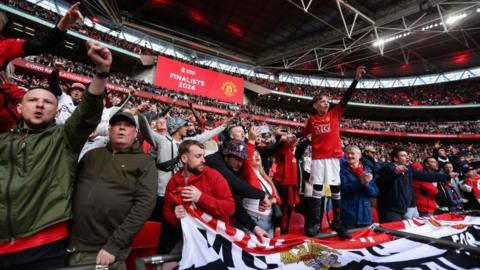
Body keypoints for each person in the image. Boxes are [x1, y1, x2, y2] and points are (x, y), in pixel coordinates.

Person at [0, 40, 111, 270]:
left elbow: (87, 114)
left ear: (57, 111)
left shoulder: (64, 139)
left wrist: (101, 73)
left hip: (44, 247)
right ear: (19, 108)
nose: (40, 105)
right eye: (32, 100)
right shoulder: (3, 141)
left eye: (47, 102)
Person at [68, 112, 158, 269]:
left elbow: (144, 206)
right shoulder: (91, 155)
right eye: (116, 125)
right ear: (109, 131)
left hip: (105, 250)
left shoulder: (145, 162)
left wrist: (114, 245)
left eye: (128, 125)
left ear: (135, 133)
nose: (121, 128)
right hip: (72, 241)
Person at [301, 66, 366, 238]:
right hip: (317, 159)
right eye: (322, 101)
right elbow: (301, 133)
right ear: (315, 105)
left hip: (332, 158)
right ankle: (315, 223)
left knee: (335, 188)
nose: (326, 103)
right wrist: (290, 137)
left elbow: (345, 99)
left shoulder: (335, 114)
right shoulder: (312, 120)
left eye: (327, 101)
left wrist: (355, 80)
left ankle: (337, 221)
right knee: (317, 189)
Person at [0, 2, 83, 132]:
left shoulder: (3, 47)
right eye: (76, 90)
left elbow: (39, 44)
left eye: (80, 91)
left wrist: (62, 26)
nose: (77, 92)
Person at [163, 140, 235, 250]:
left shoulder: (214, 176)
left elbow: (230, 208)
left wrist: (201, 198)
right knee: (166, 267)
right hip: (189, 241)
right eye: (198, 156)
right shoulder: (173, 182)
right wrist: (175, 216)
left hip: (217, 240)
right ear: (184, 159)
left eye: (203, 156)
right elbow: (167, 211)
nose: (204, 160)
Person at [205, 140, 274, 241]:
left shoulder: (233, 169)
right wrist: (262, 195)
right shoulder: (213, 161)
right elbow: (236, 184)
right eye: (237, 158)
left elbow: (236, 204)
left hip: (215, 222)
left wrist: (255, 228)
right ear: (227, 154)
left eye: (242, 160)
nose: (240, 163)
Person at [377, 146, 457, 223]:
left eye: (407, 155)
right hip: (389, 211)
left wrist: (447, 176)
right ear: (395, 158)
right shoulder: (388, 168)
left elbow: (428, 176)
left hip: (403, 210)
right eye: (403, 156)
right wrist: (394, 172)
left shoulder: (408, 171)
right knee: (393, 235)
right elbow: (386, 172)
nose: (407, 157)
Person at [241, 133, 282, 236]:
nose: (257, 155)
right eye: (253, 154)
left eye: (258, 154)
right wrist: (251, 141)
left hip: (269, 223)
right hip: (253, 222)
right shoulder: (247, 173)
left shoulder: (266, 177)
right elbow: (247, 160)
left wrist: (271, 201)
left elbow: (278, 199)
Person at [340, 145, 378, 229]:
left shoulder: (368, 171)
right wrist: (360, 182)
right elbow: (343, 189)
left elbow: (375, 192)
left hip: (365, 216)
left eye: (352, 153)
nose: (349, 156)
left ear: (359, 156)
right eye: (347, 153)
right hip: (348, 216)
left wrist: (367, 185)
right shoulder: (341, 170)